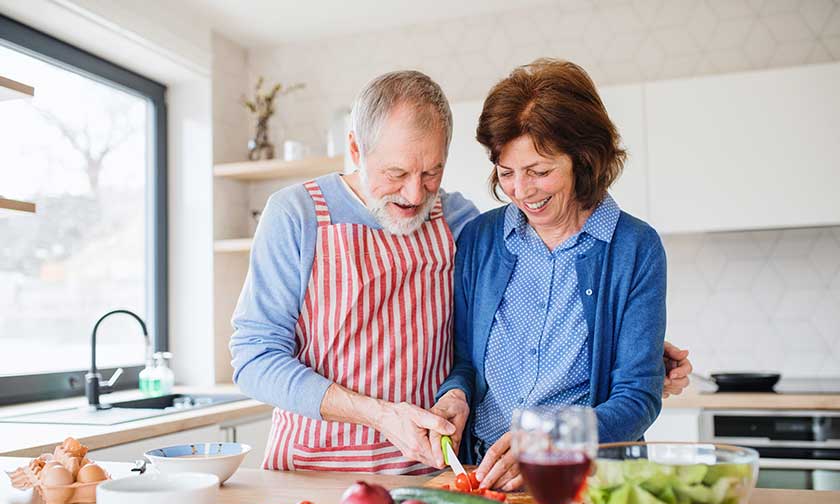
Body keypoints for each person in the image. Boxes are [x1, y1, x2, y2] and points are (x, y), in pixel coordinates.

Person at [231, 69, 691, 475]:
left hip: (431, 472)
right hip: (314, 467)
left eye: (432, 173)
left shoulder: (459, 221)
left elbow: (512, 332)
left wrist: (640, 353)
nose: (415, 195)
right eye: (396, 173)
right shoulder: (296, 215)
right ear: (355, 148)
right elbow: (254, 358)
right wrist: (381, 414)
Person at [430, 59, 675, 491]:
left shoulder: (634, 247)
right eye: (506, 172)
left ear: (584, 159)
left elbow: (637, 397)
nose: (521, 190)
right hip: (484, 475)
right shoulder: (481, 240)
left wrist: (552, 441)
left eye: (540, 172)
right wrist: (455, 395)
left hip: (588, 481)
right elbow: (465, 361)